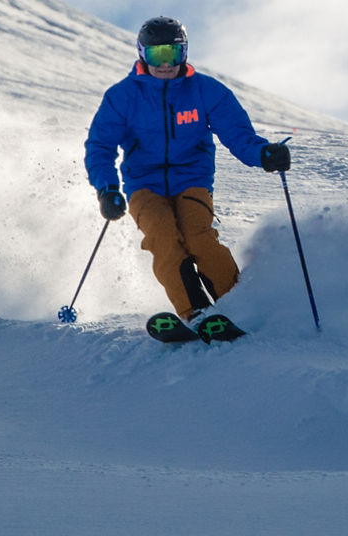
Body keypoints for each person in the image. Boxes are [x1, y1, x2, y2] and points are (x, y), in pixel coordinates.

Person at [83, 16, 290, 342]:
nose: (166, 64)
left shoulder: (206, 91)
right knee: (163, 239)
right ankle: (195, 312)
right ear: (142, 54)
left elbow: (238, 135)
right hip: (143, 184)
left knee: (198, 237)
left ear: (185, 53)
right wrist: (107, 189)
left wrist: (264, 154)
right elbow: (101, 146)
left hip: (191, 178)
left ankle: (235, 304)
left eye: (174, 54)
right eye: (156, 55)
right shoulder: (123, 97)